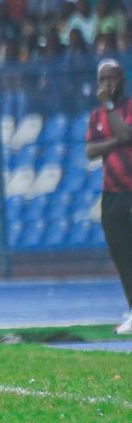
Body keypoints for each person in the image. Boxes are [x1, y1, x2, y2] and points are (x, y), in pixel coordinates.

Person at [85, 58, 132, 335]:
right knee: (122, 255)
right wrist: (116, 142)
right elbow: (90, 151)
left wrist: (111, 108)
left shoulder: (128, 107)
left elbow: (127, 131)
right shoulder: (96, 116)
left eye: (111, 78)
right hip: (112, 193)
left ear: (122, 80)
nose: (107, 84)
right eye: (102, 79)